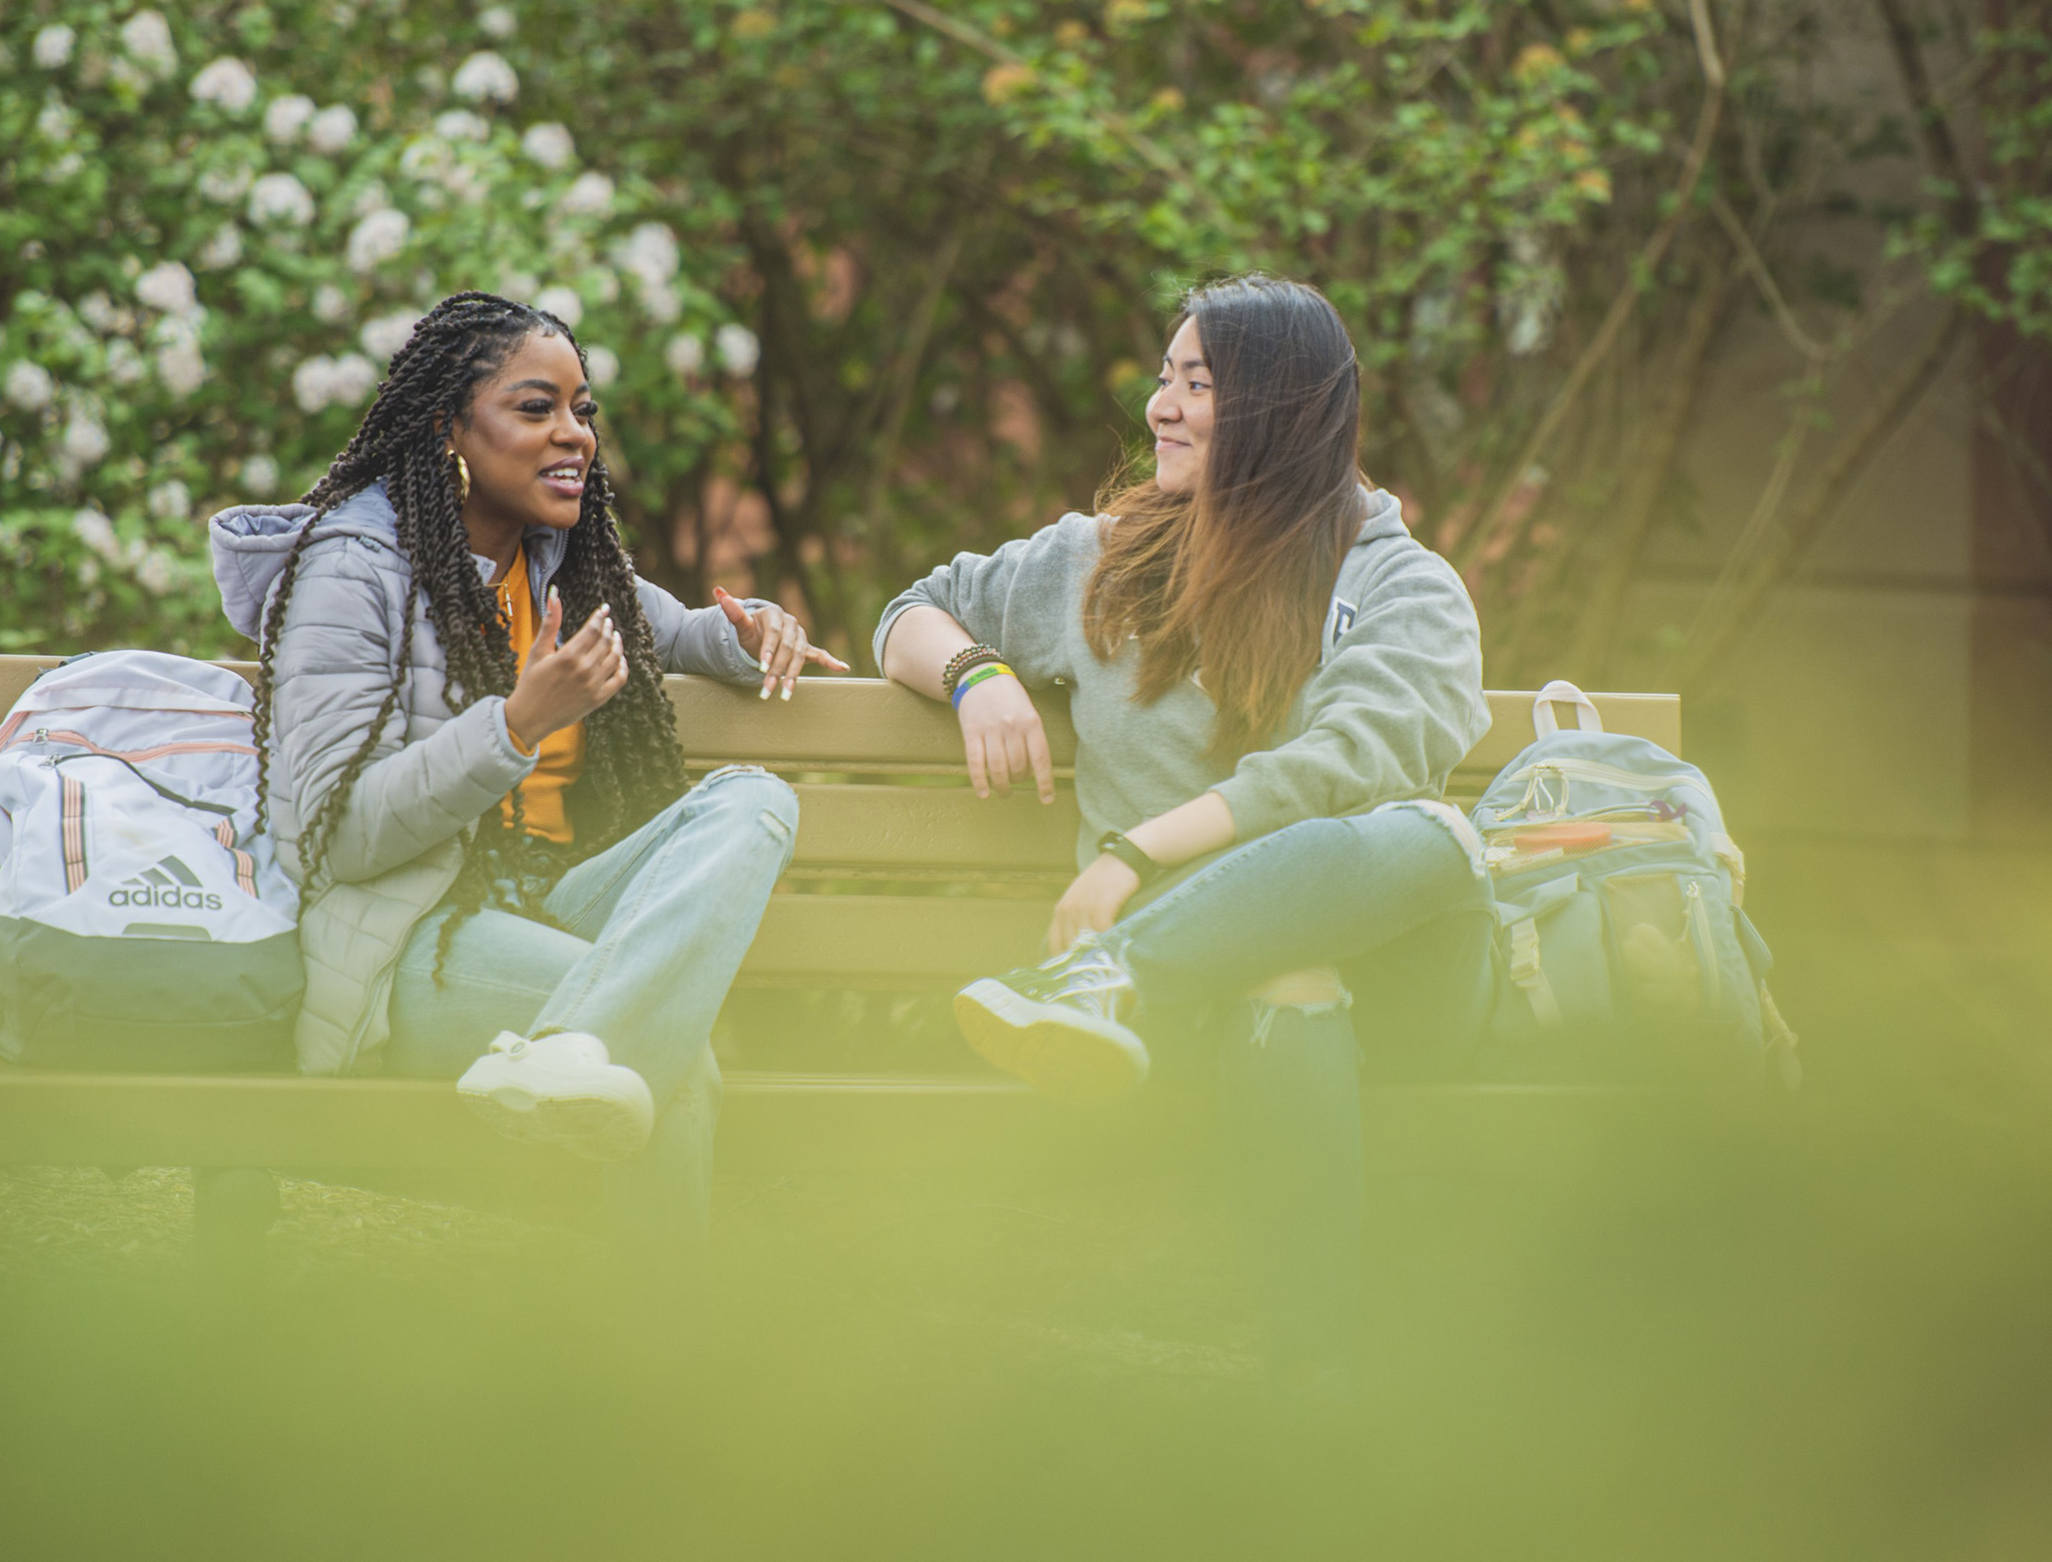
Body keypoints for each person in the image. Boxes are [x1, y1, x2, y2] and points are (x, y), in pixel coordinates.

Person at [875, 273, 1495, 1385]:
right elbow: (912, 609)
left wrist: (1133, 857)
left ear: (1283, 406)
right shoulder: (1107, 560)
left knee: (1433, 844)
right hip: (1200, 1003)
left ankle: (1102, 975)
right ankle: (1309, 1395)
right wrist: (977, 676)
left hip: (1391, 986)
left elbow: (1350, 767)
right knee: (1288, 979)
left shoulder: (1405, 587)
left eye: (1197, 383)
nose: (1161, 405)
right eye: (1163, 378)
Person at [211, 290, 844, 1257]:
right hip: (414, 934)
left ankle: (565, 1053)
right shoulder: (354, 568)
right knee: (677, 1071)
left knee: (753, 799)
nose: (574, 436)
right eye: (536, 407)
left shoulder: (563, 558)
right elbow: (336, 834)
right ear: (449, 428)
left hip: (554, 904)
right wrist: (516, 725)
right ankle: (665, 1369)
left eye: (582, 410)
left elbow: (682, 631)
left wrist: (755, 630)